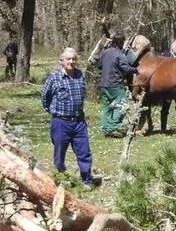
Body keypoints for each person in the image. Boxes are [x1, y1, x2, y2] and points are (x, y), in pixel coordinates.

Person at [41, 48, 97, 186]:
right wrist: (53, 111)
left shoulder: (80, 75)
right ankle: (61, 180)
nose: (71, 62)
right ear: (61, 61)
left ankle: (87, 180)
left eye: (74, 59)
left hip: (79, 122)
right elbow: (44, 97)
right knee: (59, 154)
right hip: (61, 122)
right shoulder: (54, 78)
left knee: (84, 152)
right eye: (68, 59)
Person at [97, 34, 135, 137]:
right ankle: (112, 128)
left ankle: (106, 129)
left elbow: (99, 65)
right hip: (115, 84)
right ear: (121, 42)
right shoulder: (120, 54)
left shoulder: (105, 52)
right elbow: (126, 69)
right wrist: (135, 70)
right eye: (123, 42)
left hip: (104, 84)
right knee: (121, 105)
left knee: (107, 107)